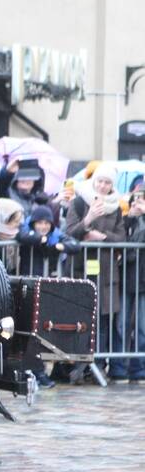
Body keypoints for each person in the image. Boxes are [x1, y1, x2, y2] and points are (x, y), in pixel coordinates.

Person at [63, 163, 127, 380]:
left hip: (107, 274)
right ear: (94, 181)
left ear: (112, 186)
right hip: (80, 269)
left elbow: (121, 239)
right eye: (100, 180)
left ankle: (97, 364)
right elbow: (69, 233)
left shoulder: (116, 207)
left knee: (103, 319)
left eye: (107, 182)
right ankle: (78, 364)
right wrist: (88, 219)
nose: (102, 185)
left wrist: (102, 237)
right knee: (80, 318)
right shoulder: (79, 201)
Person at [122, 190, 145, 382]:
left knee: (142, 326)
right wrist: (130, 217)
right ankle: (119, 366)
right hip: (125, 278)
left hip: (143, 279)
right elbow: (119, 237)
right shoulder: (126, 220)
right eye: (136, 200)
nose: (138, 203)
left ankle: (138, 367)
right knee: (122, 324)